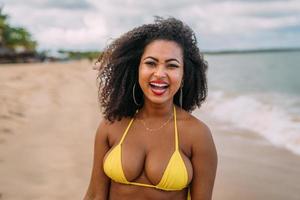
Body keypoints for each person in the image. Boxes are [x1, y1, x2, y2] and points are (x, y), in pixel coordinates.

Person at [84, 17, 218, 200]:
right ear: (137, 68)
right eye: (151, 63)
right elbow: (94, 195)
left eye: (172, 65)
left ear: (184, 74)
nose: (160, 74)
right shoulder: (112, 125)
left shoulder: (197, 135)